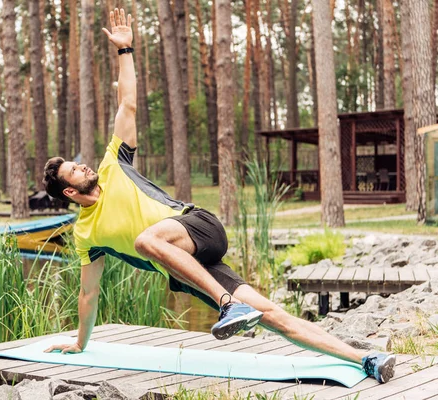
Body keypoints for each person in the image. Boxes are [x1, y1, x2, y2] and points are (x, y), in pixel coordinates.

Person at [42, 6, 395, 384]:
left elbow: (126, 103)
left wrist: (125, 52)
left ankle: (228, 306)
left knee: (146, 239)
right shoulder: (85, 236)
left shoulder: (115, 163)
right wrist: (80, 344)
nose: (83, 167)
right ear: (69, 191)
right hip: (188, 270)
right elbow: (87, 294)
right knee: (273, 317)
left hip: (199, 227)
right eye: (74, 171)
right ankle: (366, 359)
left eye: (79, 164)